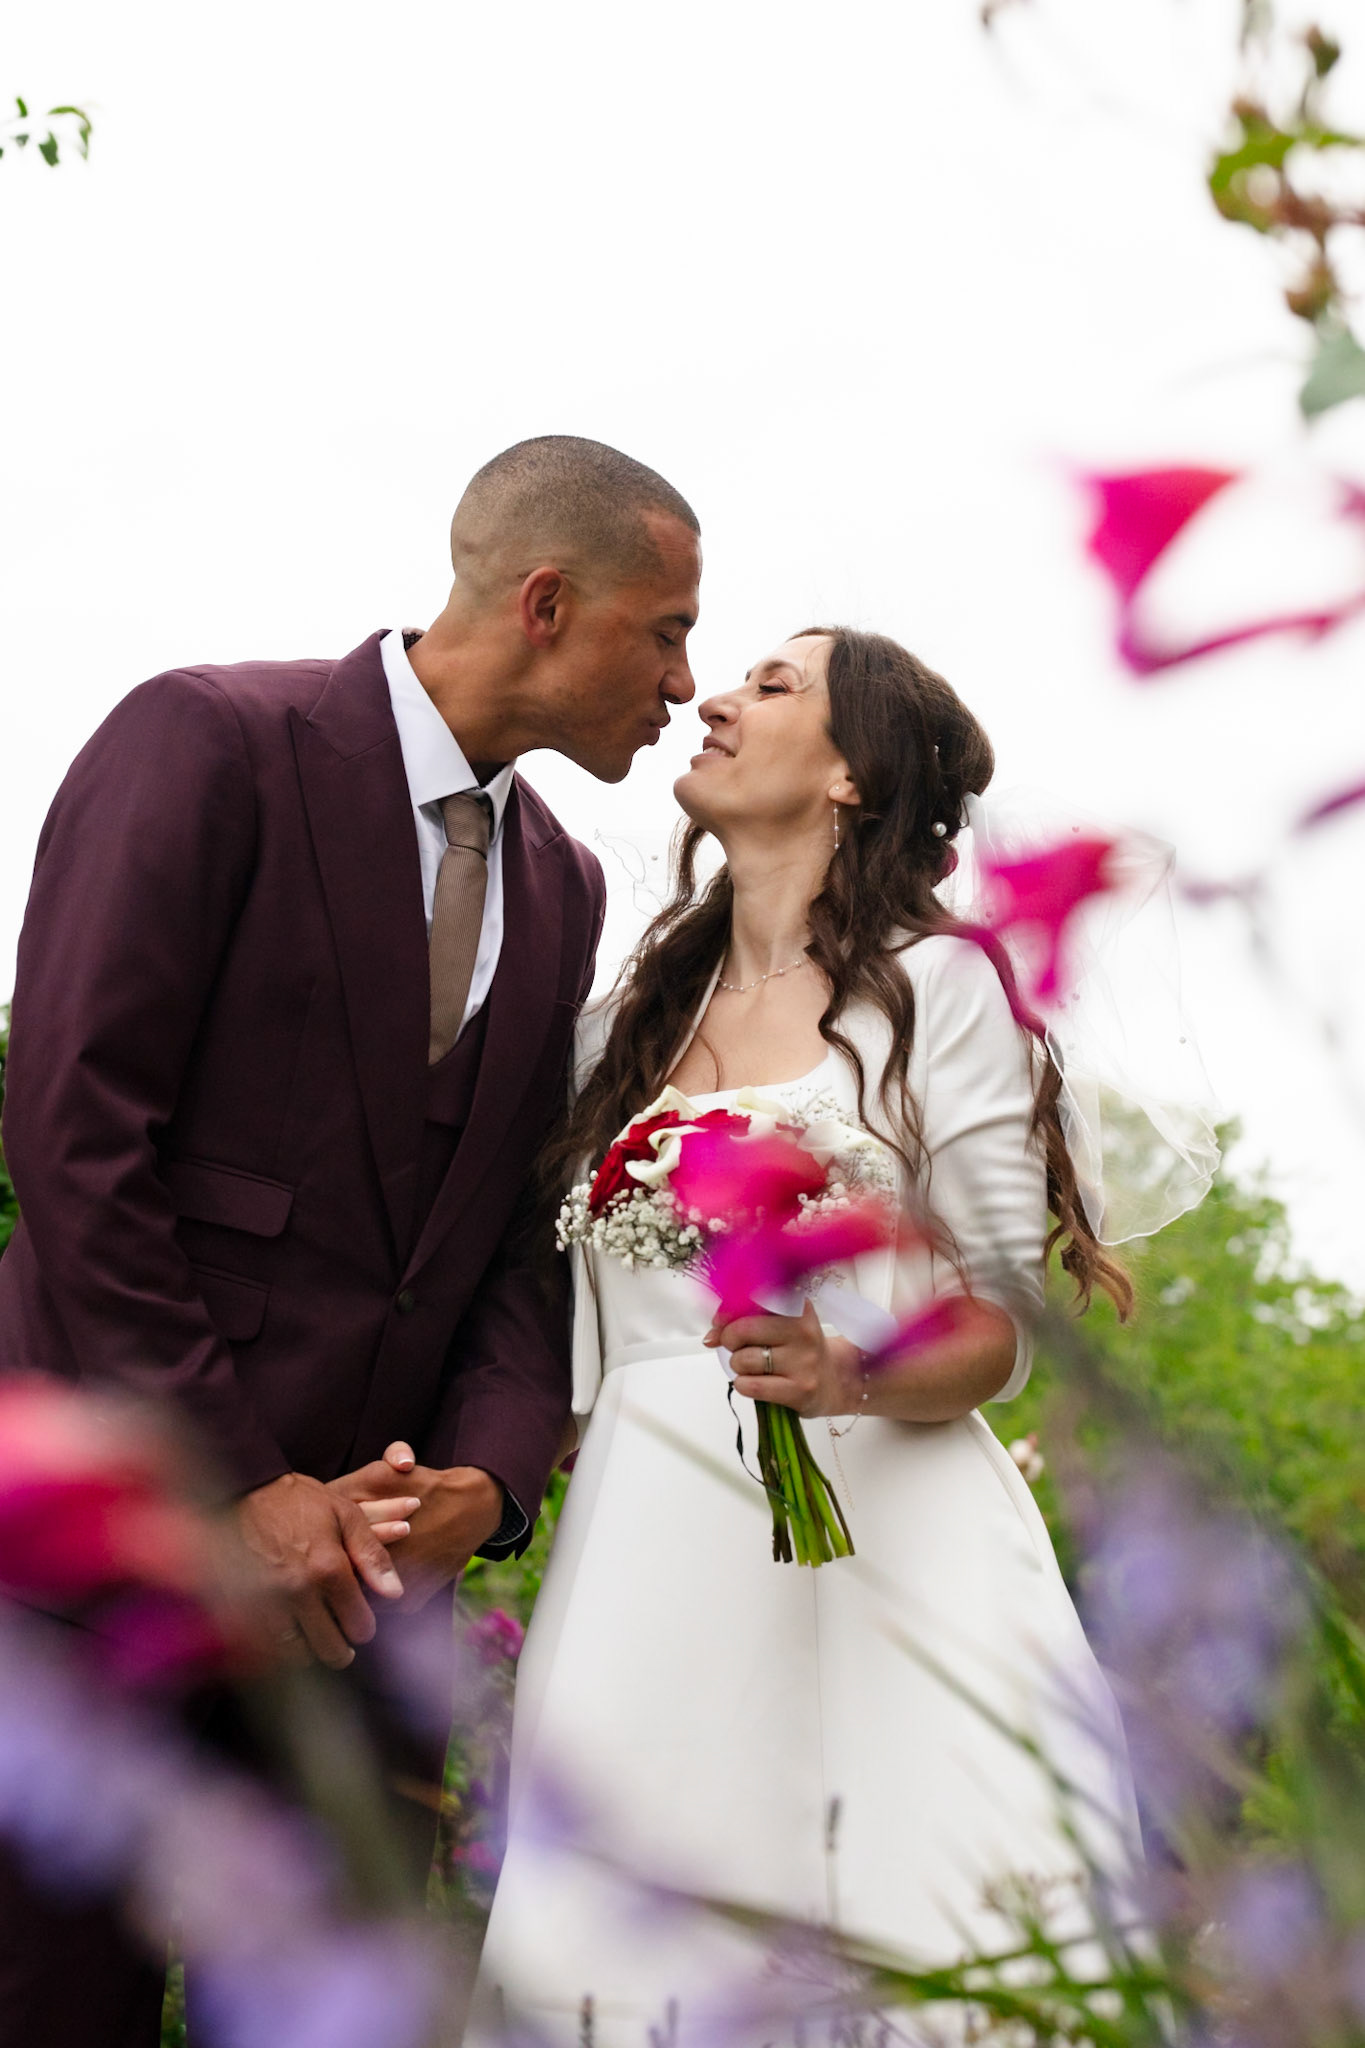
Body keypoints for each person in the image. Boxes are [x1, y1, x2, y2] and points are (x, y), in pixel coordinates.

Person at [0, 435, 702, 2046]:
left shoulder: (569, 883)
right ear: (545, 601)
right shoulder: (209, 740)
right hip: (99, 1552)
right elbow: (75, 1131)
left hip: (362, 1599)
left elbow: (512, 1234)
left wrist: (492, 1477)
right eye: (661, 630)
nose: (682, 680)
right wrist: (238, 1482)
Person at [465, 625, 1143, 2045]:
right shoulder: (620, 1035)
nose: (714, 698)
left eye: (772, 687)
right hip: (647, 1545)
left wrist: (852, 1368)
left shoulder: (943, 991)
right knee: (629, 1947)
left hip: (884, 1535)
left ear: (850, 774)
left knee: (919, 1934)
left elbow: (1005, 1317)